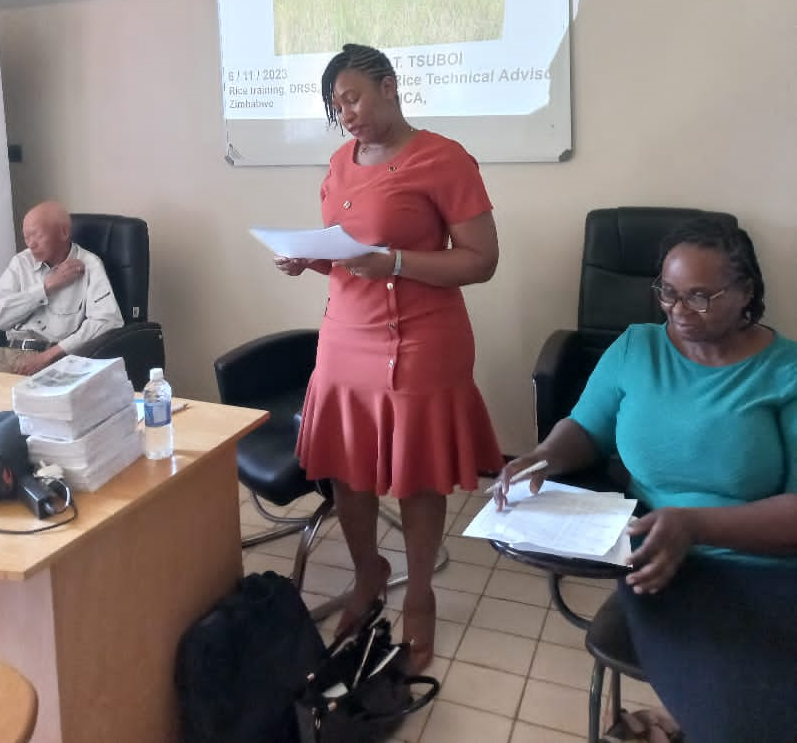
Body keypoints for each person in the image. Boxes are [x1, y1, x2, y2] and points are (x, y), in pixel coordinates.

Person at [493, 215, 797, 743]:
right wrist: (542, 457)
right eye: (669, 293)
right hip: (661, 568)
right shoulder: (637, 347)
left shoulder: (786, 372)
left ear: (745, 291)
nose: (679, 312)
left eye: (700, 296)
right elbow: (586, 428)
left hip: (769, 570)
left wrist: (696, 525)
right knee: (735, 722)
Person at [276, 43, 503, 673]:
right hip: (346, 333)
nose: (344, 113)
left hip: (423, 339)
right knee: (348, 467)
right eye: (334, 105)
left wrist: (397, 263)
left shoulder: (443, 158)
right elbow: (348, 249)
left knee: (418, 472)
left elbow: (481, 261)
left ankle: (421, 593)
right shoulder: (339, 161)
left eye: (351, 97)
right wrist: (308, 256)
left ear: (388, 85)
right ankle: (367, 573)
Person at [0, 201, 123, 376]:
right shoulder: (21, 263)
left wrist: (49, 356)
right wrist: (46, 287)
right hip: (12, 355)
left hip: (60, 359)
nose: (31, 244)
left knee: (19, 395)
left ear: (63, 232)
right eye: (26, 237)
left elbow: (107, 321)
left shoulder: (89, 265)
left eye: (36, 235)